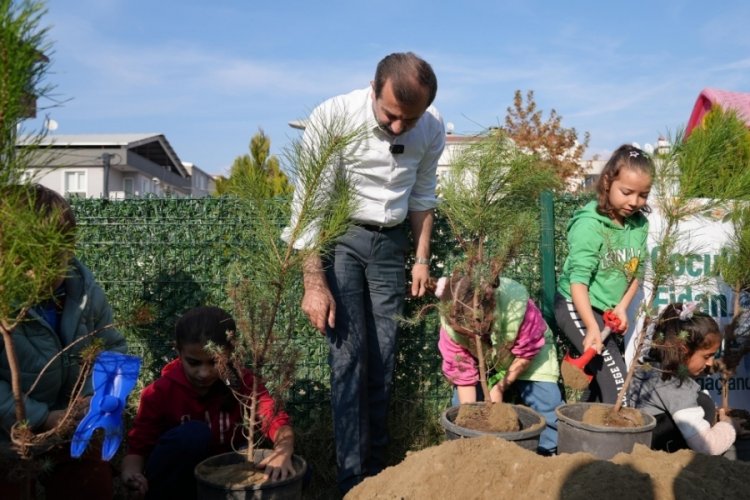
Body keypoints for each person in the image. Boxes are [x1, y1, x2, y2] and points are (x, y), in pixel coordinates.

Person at [285, 52, 445, 493]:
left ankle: (378, 474)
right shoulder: (334, 117)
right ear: (373, 89)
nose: (398, 128)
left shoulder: (430, 127)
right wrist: (313, 283)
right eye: (391, 115)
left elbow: (423, 196)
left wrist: (421, 258)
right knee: (349, 358)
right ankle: (352, 479)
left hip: (391, 245)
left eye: (408, 121)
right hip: (342, 242)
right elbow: (311, 207)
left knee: (383, 358)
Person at [0, 183, 127, 499]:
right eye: (27, 261)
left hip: (72, 426)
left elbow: (111, 348)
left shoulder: (83, 291)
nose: (41, 273)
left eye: (56, 258)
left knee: (91, 479)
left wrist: (96, 403)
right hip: (9, 434)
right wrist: (41, 418)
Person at [121, 306, 295, 499]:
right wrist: (132, 474)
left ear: (230, 353)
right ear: (178, 351)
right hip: (178, 478)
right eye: (194, 363)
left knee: (294, 472)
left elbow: (273, 415)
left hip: (224, 471)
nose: (204, 373)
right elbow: (138, 447)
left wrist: (283, 449)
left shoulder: (241, 381)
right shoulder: (159, 392)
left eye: (214, 362)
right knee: (194, 434)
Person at [554, 144, 654, 404]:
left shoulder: (639, 224)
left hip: (607, 310)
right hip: (576, 305)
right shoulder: (589, 225)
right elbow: (578, 282)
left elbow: (637, 271)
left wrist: (621, 308)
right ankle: (617, 443)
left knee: (600, 387)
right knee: (617, 382)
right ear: (608, 182)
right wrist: (590, 326)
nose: (634, 202)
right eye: (627, 192)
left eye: (643, 195)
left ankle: (579, 438)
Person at [436, 273, 563, 455]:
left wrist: (500, 387)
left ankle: (546, 454)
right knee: (461, 407)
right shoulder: (450, 327)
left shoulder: (517, 306)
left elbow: (529, 350)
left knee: (547, 402)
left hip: (525, 354)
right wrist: (471, 418)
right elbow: (462, 374)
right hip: (482, 360)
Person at [628, 302, 744, 454]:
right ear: (683, 350)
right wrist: (730, 426)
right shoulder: (674, 385)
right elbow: (708, 446)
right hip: (665, 457)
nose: (709, 363)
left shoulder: (649, 368)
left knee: (703, 401)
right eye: (707, 356)